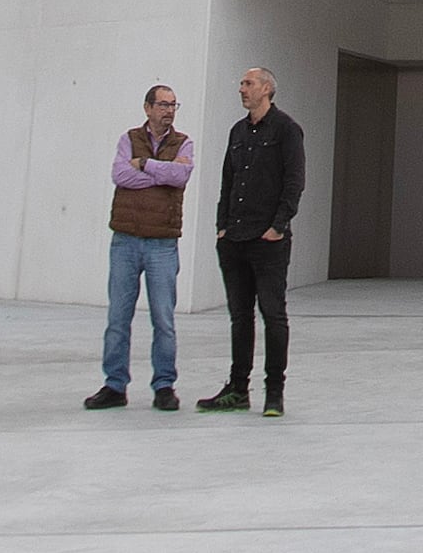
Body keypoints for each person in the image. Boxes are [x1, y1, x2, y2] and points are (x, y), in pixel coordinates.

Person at [193, 61, 305, 416]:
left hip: (268, 240)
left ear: (267, 89)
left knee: (273, 314)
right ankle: (237, 389)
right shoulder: (237, 132)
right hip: (234, 239)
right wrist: (221, 227)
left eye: (248, 83)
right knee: (239, 317)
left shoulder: (287, 130)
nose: (242, 89)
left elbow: (294, 182)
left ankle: (275, 392)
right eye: (241, 83)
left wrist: (278, 226)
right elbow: (228, 182)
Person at [89, 83, 194, 412]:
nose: (169, 111)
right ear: (147, 107)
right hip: (126, 240)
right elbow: (120, 175)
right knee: (118, 316)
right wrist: (160, 174)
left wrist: (146, 165)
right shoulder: (127, 139)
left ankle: (164, 385)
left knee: (163, 318)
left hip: (162, 243)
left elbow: (180, 176)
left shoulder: (183, 142)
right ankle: (114, 384)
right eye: (163, 104)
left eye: (174, 105)